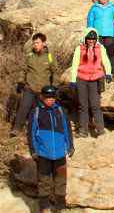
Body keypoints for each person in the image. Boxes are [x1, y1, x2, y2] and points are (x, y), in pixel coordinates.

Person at [28, 85, 74, 213]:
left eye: (53, 97)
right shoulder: (36, 111)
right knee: (44, 182)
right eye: (48, 97)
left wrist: (70, 146)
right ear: (42, 97)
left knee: (61, 181)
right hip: (43, 153)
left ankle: (60, 207)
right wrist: (33, 150)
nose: (51, 100)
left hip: (60, 152)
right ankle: (44, 207)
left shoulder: (60, 110)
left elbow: (67, 129)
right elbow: (31, 132)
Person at [12, 33, 58, 135]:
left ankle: (42, 131)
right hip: (30, 88)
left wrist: (54, 86)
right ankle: (16, 129)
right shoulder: (29, 56)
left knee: (42, 111)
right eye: (34, 43)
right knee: (23, 108)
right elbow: (23, 70)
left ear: (43, 43)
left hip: (43, 90)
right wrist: (20, 82)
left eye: (37, 43)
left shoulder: (49, 56)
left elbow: (55, 72)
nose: (35, 45)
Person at [69, 30, 111, 138]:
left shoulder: (100, 48)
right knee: (83, 106)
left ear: (96, 39)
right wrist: (73, 80)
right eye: (89, 39)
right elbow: (75, 65)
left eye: (93, 39)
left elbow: (106, 60)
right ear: (85, 39)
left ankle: (100, 129)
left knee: (95, 105)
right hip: (82, 79)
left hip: (95, 79)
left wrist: (109, 73)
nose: (91, 41)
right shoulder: (79, 48)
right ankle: (83, 130)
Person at [86, 0, 114, 80]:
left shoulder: (112, 7)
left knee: (110, 53)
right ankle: (98, 72)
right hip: (97, 34)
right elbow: (90, 20)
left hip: (109, 34)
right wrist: (91, 31)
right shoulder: (94, 8)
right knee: (97, 53)